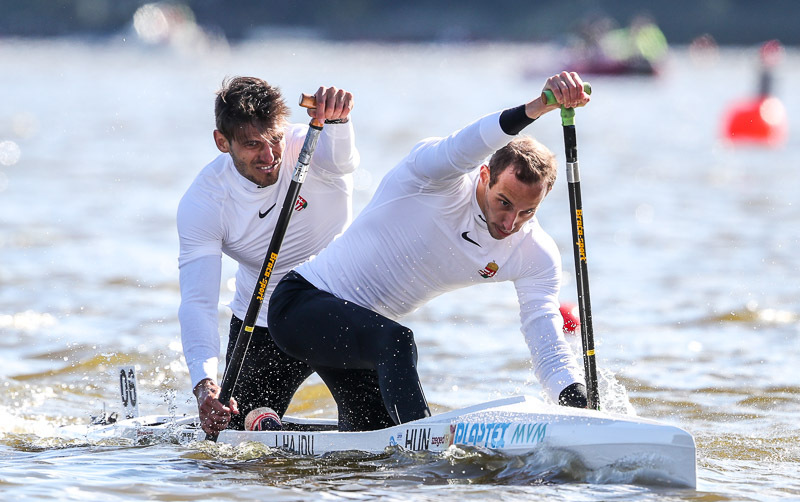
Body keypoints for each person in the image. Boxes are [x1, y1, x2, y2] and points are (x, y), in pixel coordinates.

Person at [267, 71, 591, 432]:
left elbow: (547, 343)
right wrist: (536, 107)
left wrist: (580, 407)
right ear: (484, 175)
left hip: (362, 340)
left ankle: (282, 437)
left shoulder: (535, 253)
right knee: (398, 341)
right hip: (301, 305)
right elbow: (471, 140)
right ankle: (430, 457)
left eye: (527, 211)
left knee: (373, 440)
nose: (510, 222)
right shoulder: (434, 176)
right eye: (504, 202)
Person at [177, 76, 359, 437]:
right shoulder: (204, 202)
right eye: (252, 145)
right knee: (230, 437)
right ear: (221, 142)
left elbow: (344, 161)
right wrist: (204, 384)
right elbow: (198, 302)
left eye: (275, 139)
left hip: (345, 304)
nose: (270, 156)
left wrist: (339, 120)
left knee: (376, 422)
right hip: (264, 320)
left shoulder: (311, 146)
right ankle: (260, 426)